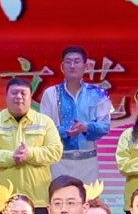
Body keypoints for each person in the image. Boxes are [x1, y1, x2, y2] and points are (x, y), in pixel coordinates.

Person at [0, 78, 61, 214]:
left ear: (30, 97)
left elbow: (55, 151)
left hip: (37, 200)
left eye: (23, 93)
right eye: (14, 93)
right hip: (1, 200)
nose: (19, 97)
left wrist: (30, 154)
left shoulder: (45, 122)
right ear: (6, 96)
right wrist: (11, 157)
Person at [43, 48, 117, 194]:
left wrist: (86, 128)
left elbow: (105, 126)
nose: (72, 66)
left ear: (86, 66)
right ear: (62, 66)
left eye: (77, 62)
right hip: (59, 161)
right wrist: (66, 131)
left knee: (90, 202)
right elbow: (45, 128)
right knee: (61, 199)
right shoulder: (50, 93)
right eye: (68, 62)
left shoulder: (98, 93)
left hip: (88, 160)